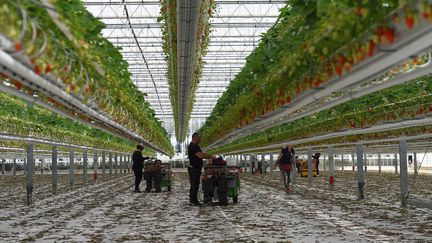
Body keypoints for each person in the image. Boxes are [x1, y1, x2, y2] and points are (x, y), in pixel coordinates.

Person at [188, 132, 217, 206]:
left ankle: (194, 200)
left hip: (195, 168)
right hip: (193, 169)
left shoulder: (195, 146)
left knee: (196, 184)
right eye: (199, 139)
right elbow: (200, 155)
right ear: (195, 138)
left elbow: (200, 156)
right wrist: (211, 156)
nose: (200, 140)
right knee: (194, 185)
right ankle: (193, 201)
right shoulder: (193, 146)